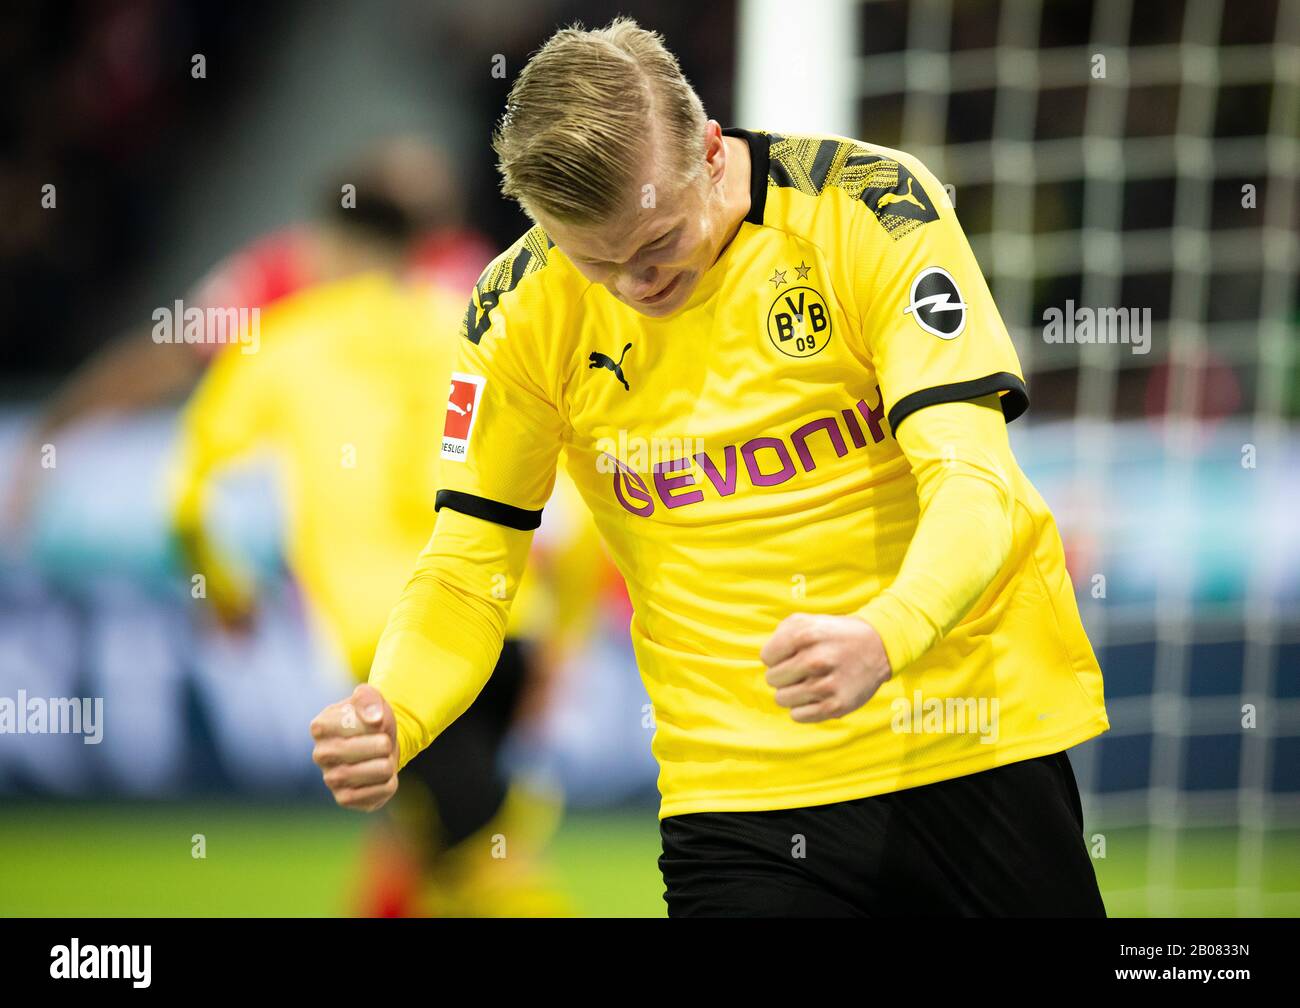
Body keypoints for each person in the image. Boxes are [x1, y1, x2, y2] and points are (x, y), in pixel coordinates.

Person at [309, 17, 1110, 917]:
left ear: (710, 149)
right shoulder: (519, 310)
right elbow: (466, 569)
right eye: (595, 262)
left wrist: (886, 633)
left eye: (656, 245)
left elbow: (974, 481)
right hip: (736, 798)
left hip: (973, 742)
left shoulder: (870, 209)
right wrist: (396, 711)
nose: (634, 286)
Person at [172, 172, 597, 917]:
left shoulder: (289, 340)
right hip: (503, 625)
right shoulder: (478, 322)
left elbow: (186, 496)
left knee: (481, 857)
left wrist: (225, 591)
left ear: (330, 245)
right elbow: (579, 501)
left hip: (396, 644)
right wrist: (562, 638)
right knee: (432, 836)